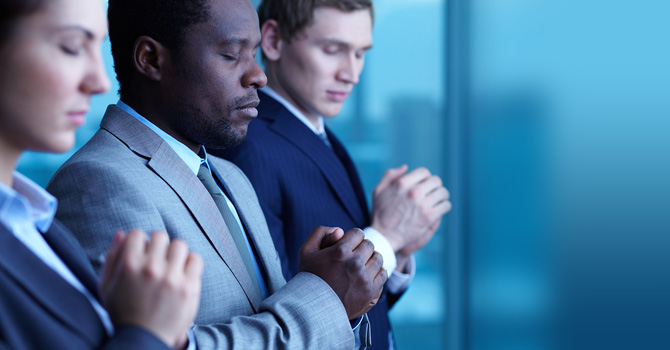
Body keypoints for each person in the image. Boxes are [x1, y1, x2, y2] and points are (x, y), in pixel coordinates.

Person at [46, 0, 386, 349]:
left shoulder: (232, 178)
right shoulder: (98, 184)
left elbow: (268, 315)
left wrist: (334, 301)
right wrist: (325, 298)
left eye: (254, 53)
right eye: (231, 54)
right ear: (150, 59)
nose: (258, 75)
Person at [214, 0, 453, 348]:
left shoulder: (322, 136)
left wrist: (395, 254)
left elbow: (352, 309)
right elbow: (276, 312)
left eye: (360, 54)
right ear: (274, 41)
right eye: (332, 50)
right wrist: (385, 237)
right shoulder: (251, 145)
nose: (351, 73)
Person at [0, 0, 204, 349]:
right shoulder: (85, 188)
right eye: (72, 47)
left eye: (99, 47)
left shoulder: (37, 222)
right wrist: (147, 334)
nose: (100, 81)